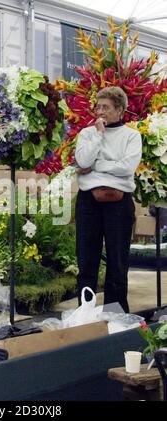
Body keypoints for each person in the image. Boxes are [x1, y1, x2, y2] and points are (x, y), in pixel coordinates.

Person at [74, 86, 142, 312]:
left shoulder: (131, 136)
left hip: (118, 204)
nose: (100, 112)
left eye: (106, 107)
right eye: (98, 107)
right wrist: (99, 135)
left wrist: (97, 166)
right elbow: (83, 161)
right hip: (88, 202)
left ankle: (116, 314)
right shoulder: (87, 134)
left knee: (117, 259)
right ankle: (85, 313)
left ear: (120, 111)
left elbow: (126, 168)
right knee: (86, 258)